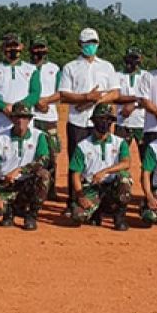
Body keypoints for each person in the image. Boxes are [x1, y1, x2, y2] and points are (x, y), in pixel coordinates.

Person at [58, 27, 119, 206]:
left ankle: (102, 200)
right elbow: (64, 95)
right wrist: (85, 97)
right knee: (77, 162)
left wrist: (95, 100)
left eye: (93, 43)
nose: (90, 46)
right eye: (86, 43)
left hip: (101, 122)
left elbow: (115, 92)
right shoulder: (70, 67)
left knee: (101, 159)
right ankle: (75, 199)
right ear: (79, 45)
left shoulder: (107, 67)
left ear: (98, 44)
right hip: (78, 121)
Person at [0, 101, 52, 230]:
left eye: (25, 117)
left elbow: (43, 160)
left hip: (28, 183)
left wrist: (20, 170)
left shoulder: (39, 137)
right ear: (12, 118)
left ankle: (31, 215)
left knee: (44, 176)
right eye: (17, 117)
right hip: (5, 184)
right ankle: (8, 213)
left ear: (29, 119)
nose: (21, 121)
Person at [69, 103, 132, 231]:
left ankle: (119, 216)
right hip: (92, 187)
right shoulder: (83, 146)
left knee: (125, 178)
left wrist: (105, 171)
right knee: (78, 216)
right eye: (101, 119)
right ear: (94, 121)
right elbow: (75, 174)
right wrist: (81, 196)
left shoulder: (119, 143)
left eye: (108, 120)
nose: (104, 123)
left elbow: (126, 163)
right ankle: (95, 213)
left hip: (112, 186)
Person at [0, 32, 41, 138]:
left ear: (21, 46)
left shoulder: (32, 69)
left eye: (15, 45)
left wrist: (19, 108)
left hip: (24, 124)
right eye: (9, 46)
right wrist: (4, 107)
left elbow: (35, 93)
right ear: (3, 47)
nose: (13, 49)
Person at [29, 36, 63, 201]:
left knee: (52, 154)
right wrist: (35, 102)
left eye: (42, 48)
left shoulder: (54, 68)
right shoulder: (25, 68)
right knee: (31, 153)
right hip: (30, 117)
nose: (39, 52)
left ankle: (51, 189)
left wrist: (46, 101)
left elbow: (60, 92)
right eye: (36, 48)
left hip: (49, 117)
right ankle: (31, 187)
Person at [114, 47, 150, 154]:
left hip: (142, 123)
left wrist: (133, 104)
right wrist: (137, 98)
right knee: (118, 156)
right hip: (122, 122)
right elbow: (115, 97)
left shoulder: (146, 76)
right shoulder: (117, 75)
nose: (132, 61)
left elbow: (149, 98)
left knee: (145, 157)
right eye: (129, 58)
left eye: (135, 58)